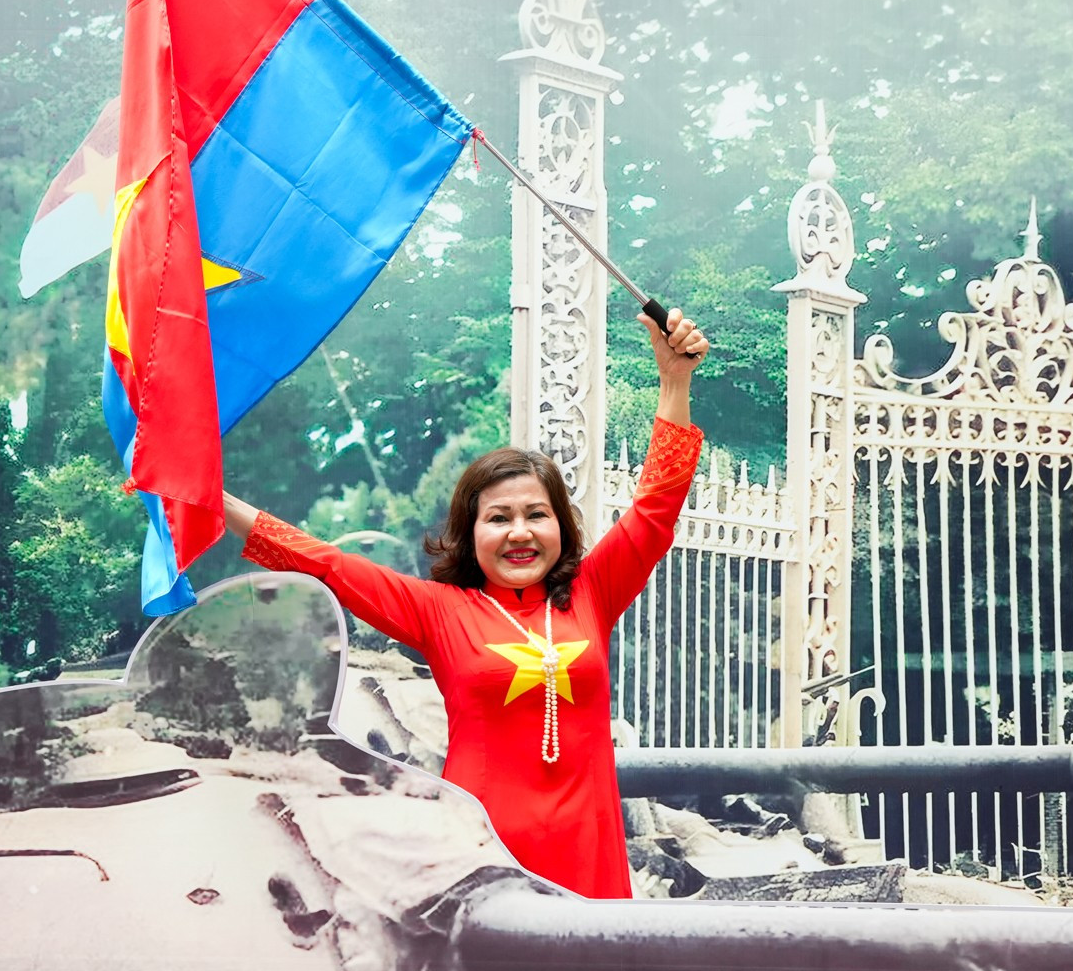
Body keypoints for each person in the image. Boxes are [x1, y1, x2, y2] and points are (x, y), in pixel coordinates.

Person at [221, 309, 708, 898]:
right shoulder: (438, 609)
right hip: (478, 861)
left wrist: (674, 381)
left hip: (588, 860)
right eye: (498, 518)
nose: (520, 532)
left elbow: (656, 507)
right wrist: (204, 495)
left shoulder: (591, 593)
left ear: (562, 526)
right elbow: (322, 561)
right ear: (470, 534)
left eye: (537, 514)